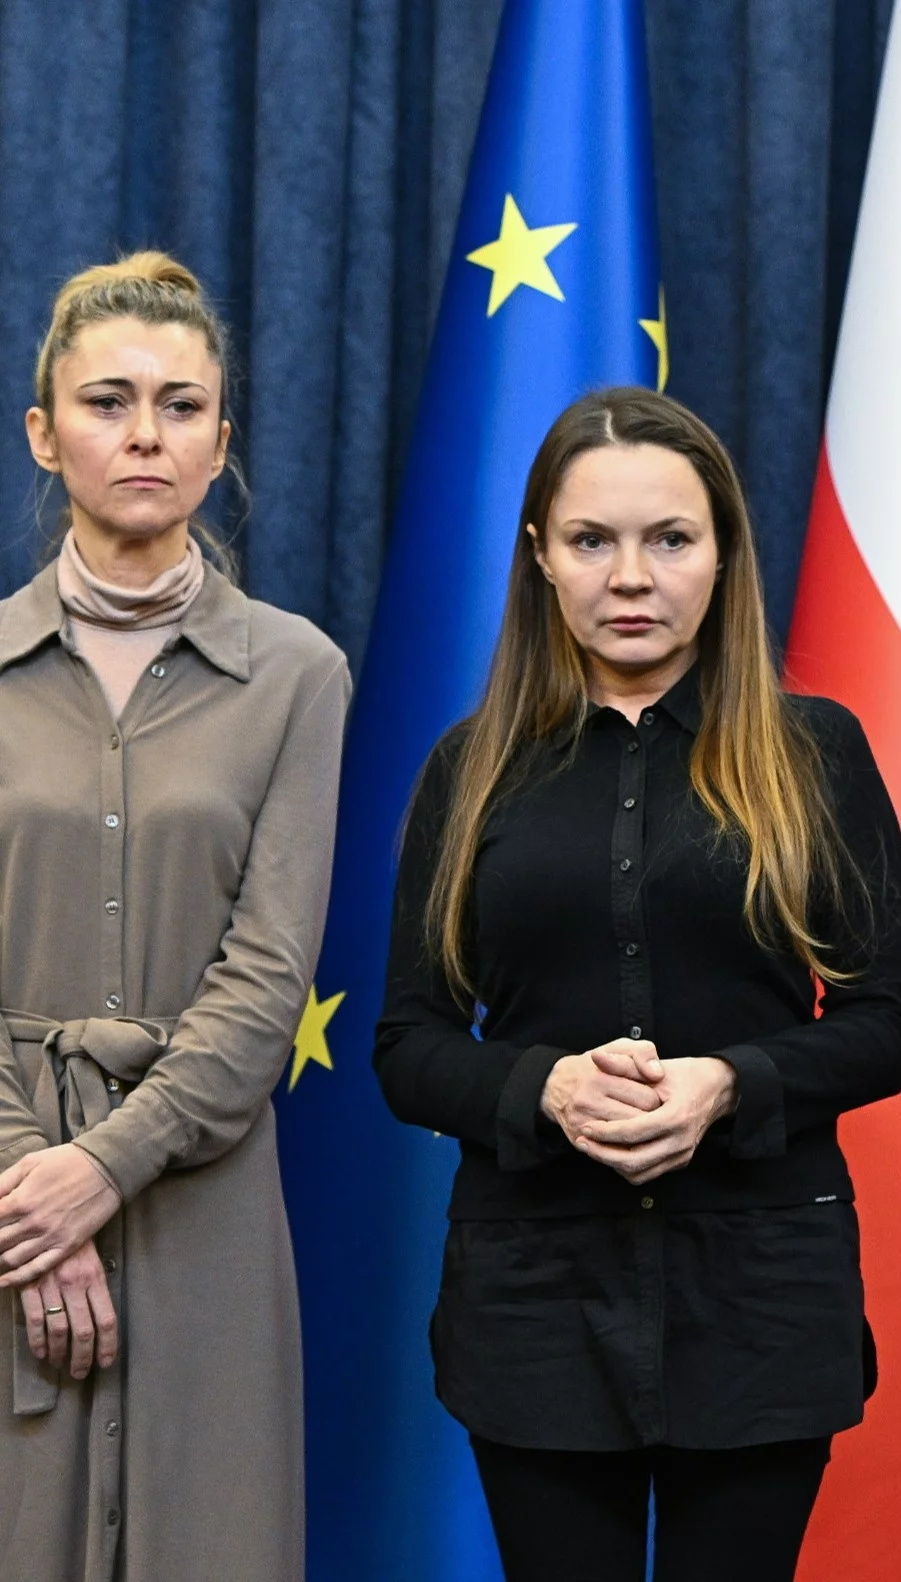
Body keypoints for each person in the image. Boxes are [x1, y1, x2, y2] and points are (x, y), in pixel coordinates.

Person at [373, 386, 901, 1582]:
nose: (632, 576)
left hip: (764, 1293)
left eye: (671, 539)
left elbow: (886, 1025)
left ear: (723, 554)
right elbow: (408, 1044)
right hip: (534, 1297)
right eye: (592, 541)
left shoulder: (816, 754)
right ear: (540, 558)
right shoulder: (468, 772)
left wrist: (731, 1083)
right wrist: (544, 1089)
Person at [0, 253, 351, 1578]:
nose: (145, 432)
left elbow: (266, 983)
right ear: (44, 433)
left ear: (220, 442)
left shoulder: (298, 672)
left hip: (205, 1203)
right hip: (4, 1191)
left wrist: (104, 1168)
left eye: (181, 404)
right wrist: (35, 1202)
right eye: (107, 400)